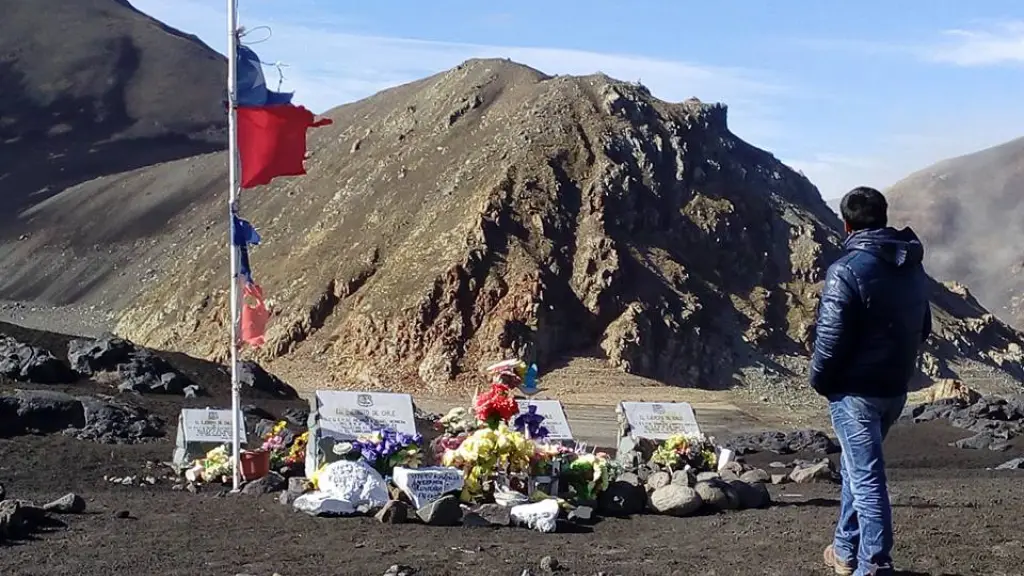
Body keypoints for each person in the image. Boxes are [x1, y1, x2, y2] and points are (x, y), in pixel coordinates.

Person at [811, 186, 932, 576]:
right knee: (855, 470)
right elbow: (924, 326)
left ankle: (875, 566)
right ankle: (845, 551)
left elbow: (830, 340)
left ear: (846, 224)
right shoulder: (911, 265)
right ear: (883, 216)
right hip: (894, 388)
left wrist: (820, 380)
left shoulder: (845, 271)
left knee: (866, 480)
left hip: (856, 392)